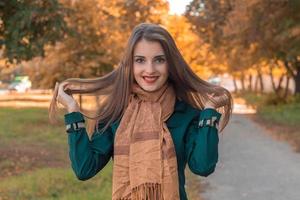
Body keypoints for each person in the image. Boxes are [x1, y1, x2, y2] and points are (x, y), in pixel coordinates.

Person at [49, 23, 233, 200]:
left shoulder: (187, 113)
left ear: (171, 64)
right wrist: (73, 111)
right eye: (140, 60)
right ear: (130, 64)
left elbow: (203, 167)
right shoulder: (116, 112)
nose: (150, 70)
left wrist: (209, 111)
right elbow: (84, 169)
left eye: (159, 60)